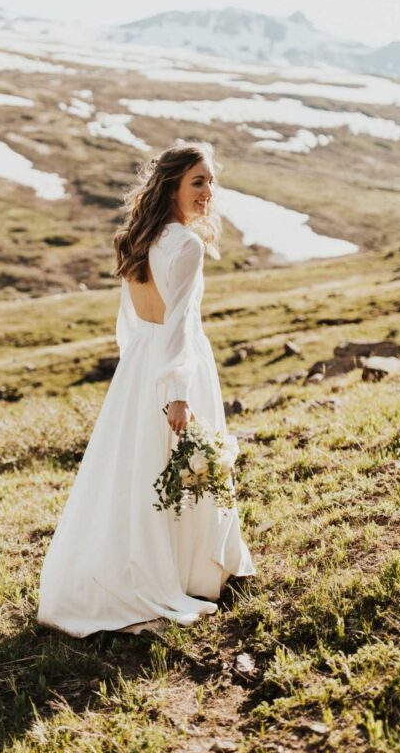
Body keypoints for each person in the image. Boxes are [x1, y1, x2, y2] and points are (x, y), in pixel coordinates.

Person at [37, 141, 255, 637]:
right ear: (172, 185)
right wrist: (177, 389)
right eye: (198, 181)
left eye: (211, 181)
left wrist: (140, 367)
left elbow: (131, 320)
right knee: (186, 462)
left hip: (140, 364)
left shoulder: (140, 237)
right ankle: (194, 572)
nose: (208, 191)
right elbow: (178, 322)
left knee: (142, 469)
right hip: (177, 366)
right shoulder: (185, 245)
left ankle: (187, 566)